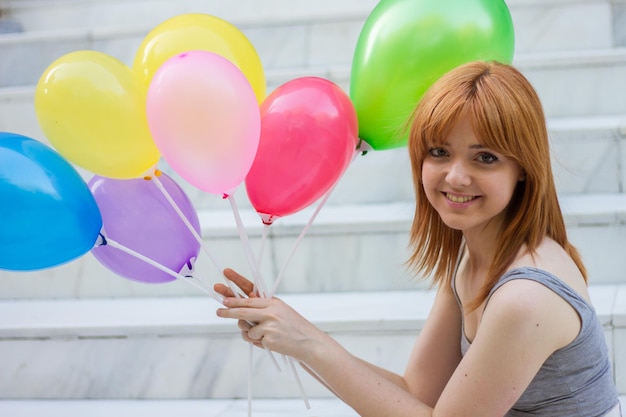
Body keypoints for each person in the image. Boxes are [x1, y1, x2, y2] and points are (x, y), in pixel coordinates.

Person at [215, 61, 622, 417]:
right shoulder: (474, 256)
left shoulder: (526, 296)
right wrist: (291, 335)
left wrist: (308, 343)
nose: (456, 176)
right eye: (439, 152)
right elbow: (415, 394)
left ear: (523, 169)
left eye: (485, 157)